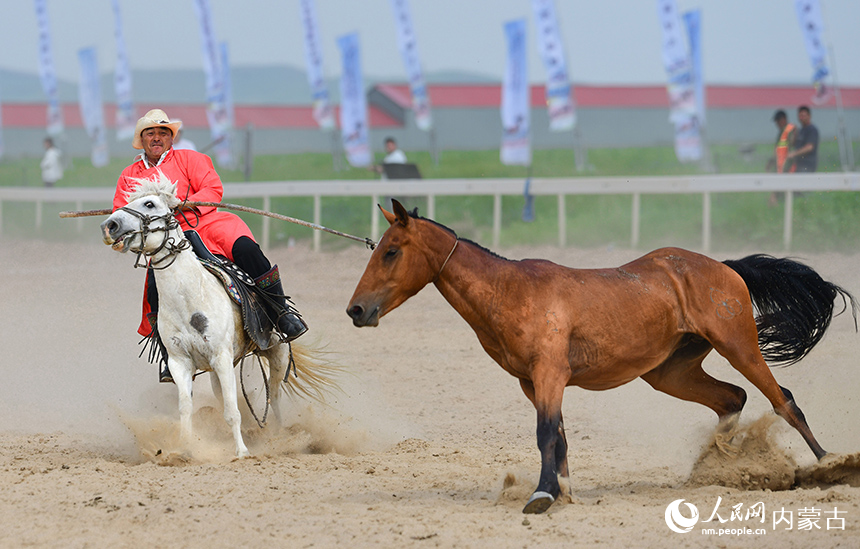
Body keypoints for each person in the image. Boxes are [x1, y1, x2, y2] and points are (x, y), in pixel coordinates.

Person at [113, 109, 307, 382]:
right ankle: (169, 354)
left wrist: (185, 203)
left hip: (206, 223)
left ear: (171, 138)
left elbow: (213, 189)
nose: (157, 138)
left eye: (163, 133)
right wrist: (124, 237)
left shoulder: (191, 159)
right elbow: (121, 214)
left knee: (247, 249)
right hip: (166, 241)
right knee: (154, 289)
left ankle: (281, 313)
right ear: (142, 139)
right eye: (151, 133)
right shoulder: (129, 176)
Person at [787, 105, 819, 173]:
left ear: (809, 116)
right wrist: (794, 133)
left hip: (807, 164)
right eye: (800, 116)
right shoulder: (801, 130)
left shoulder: (812, 130)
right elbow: (793, 144)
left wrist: (794, 154)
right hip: (798, 164)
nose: (802, 118)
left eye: (803, 116)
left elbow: (809, 147)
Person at [771, 109, 796, 174]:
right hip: (781, 165)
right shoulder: (781, 133)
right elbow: (776, 148)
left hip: (789, 166)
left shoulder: (791, 130)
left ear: (784, 119)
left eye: (778, 121)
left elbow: (793, 144)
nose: (777, 123)